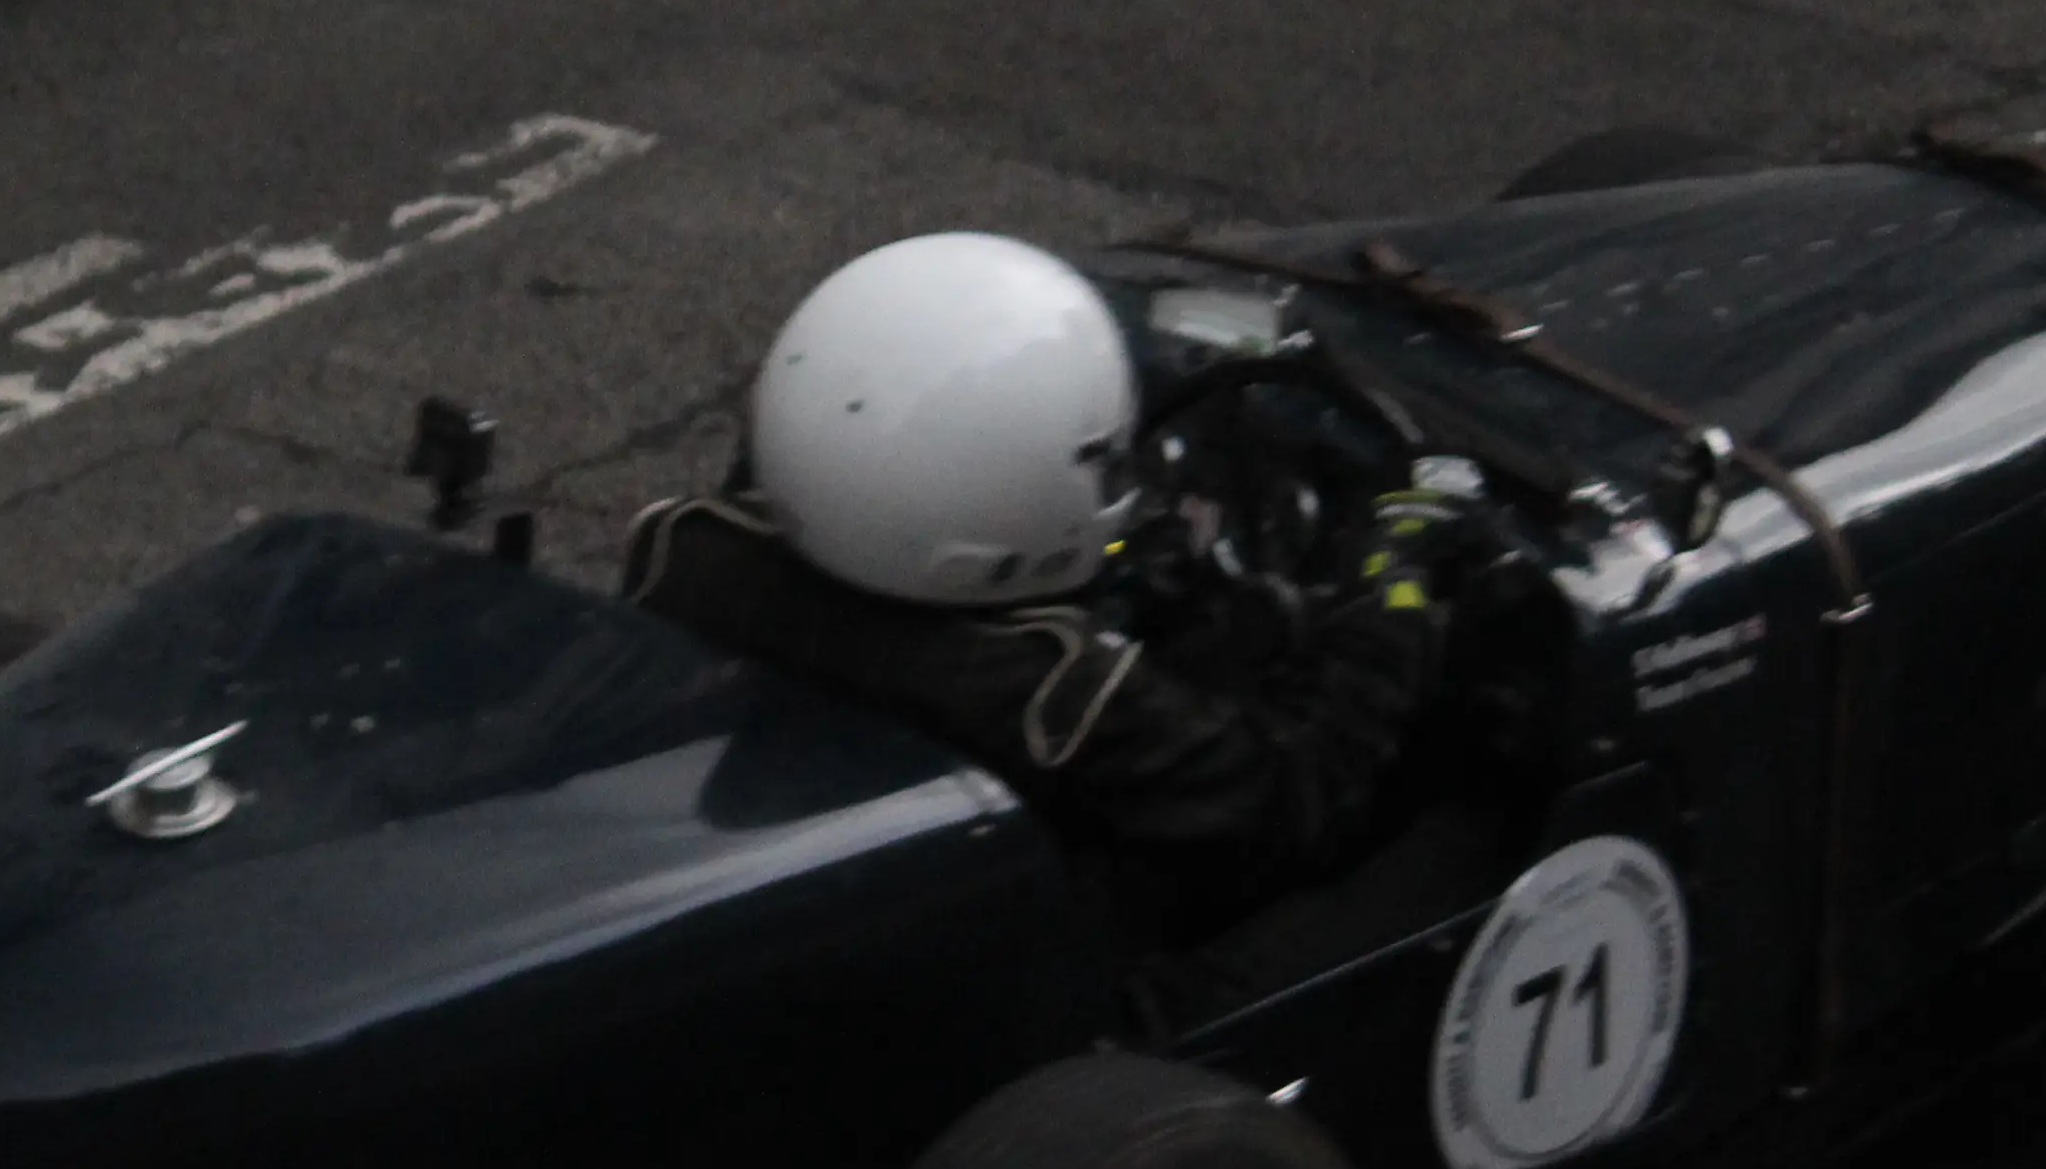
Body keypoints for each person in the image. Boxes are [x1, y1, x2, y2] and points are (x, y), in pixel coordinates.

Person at [624, 231, 1481, 953]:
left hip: (789, 859)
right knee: (1456, 847)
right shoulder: (1062, 699)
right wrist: (1390, 594)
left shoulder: (687, 555)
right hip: (1075, 995)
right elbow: (1300, 797)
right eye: (1107, 463)